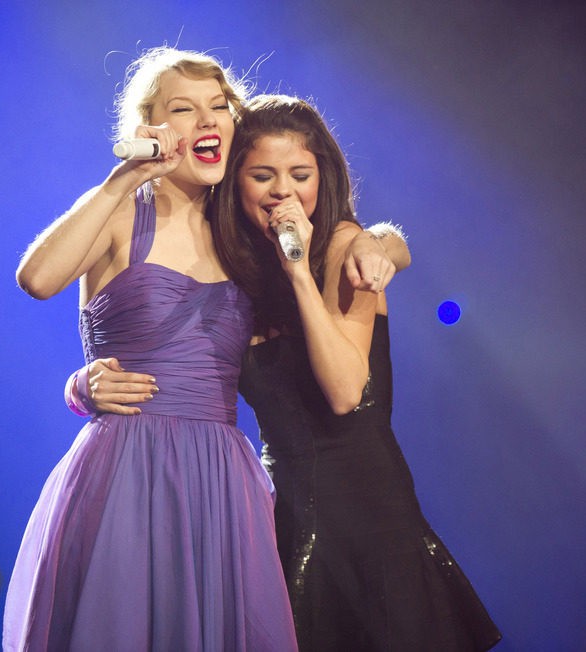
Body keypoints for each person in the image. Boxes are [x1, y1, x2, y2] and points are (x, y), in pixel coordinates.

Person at [77, 94, 502, 651]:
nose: (283, 191)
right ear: (237, 183)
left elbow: (346, 392)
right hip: (279, 520)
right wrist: (83, 385)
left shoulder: (344, 249)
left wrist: (317, 266)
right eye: (262, 175)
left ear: (322, 178)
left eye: (300, 175)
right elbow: (177, 367)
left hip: (370, 520)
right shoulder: (237, 275)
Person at [3, 47, 300, 651]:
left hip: (220, 480)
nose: (208, 121)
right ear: (152, 127)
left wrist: (384, 244)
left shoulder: (245, 233)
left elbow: (341, 238)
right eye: (184, 110)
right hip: (128, 472)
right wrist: (123, 179)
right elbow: (37, 280)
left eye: (219, 106)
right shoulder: (121, 213)